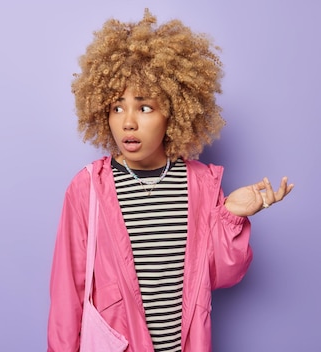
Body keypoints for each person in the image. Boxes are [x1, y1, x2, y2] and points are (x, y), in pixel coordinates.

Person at [47, 9, 294, 352]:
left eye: (144, 107)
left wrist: (231, 217)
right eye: (117, 107)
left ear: (174, 111)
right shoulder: (88, 188)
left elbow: (222, 275)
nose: (128, 122)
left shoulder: (201, 184)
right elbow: (66, 295)